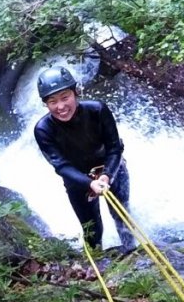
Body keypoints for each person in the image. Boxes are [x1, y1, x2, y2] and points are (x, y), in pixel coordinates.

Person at [33, 66, 137, 254]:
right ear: (46, 104)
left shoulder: (97, 110)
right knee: (92, 228)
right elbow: (61, 166)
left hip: (112, 169)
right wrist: (90, 183)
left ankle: (133, 257)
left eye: (65, 97)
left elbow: (114, 147)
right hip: (77, 180)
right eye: (52, 101)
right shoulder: (43, 129)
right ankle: (99, 264)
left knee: (122, 217)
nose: (61, 106)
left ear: (76, 93)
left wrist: (106, 176)